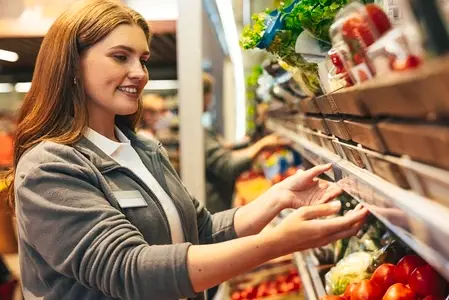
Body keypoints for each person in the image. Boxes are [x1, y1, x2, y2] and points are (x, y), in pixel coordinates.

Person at [5, 1, 368, 299]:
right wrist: (279, 242)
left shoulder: (144, 149)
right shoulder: (49, 166)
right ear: (72, 63)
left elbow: (202, 231)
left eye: (143, 59)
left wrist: (277, 199)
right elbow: (128, 269)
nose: (140, 73)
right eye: (121, 57)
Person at [203, 73, 290, 214]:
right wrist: (262, 145)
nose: (211, 100)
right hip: (214, 210)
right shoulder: (197, 132)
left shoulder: (200, 130)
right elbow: (228, 165)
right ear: (203, 96)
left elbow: (223, 149)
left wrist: (252, 140)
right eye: (210, 95)